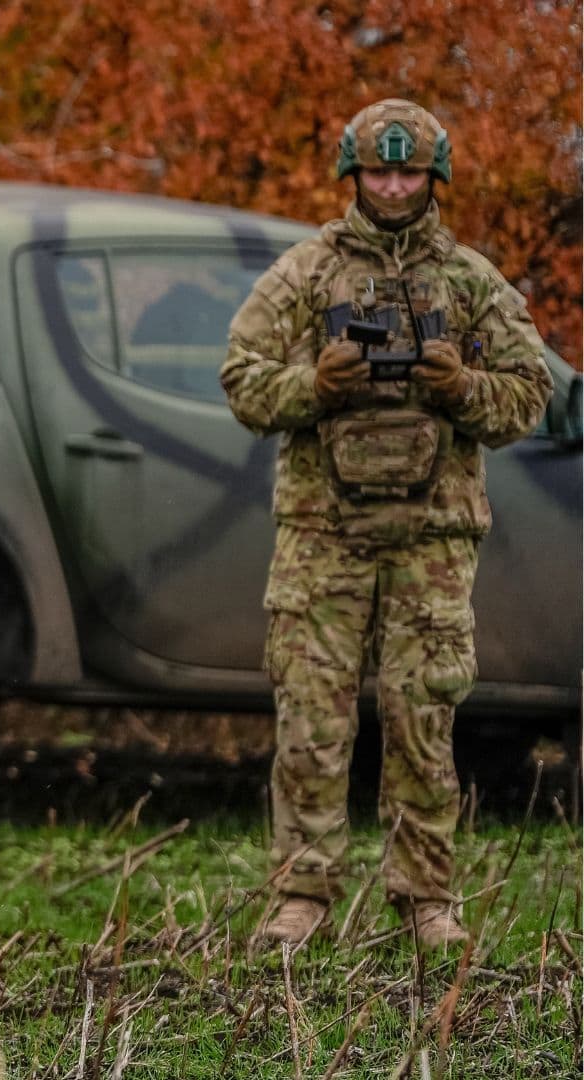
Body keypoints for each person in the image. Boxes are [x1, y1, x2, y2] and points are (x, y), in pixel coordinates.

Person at [221, 99, 553, 948]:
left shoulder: (471, 280)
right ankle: (302, 894)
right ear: (353, 174)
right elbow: (240, 378)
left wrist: (460, 389)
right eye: (380, 170)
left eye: (410, 171)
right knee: (311, 715)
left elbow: (527, 396)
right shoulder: (305, 273)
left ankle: (426, 897)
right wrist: (315, 386)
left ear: (433, 176)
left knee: (424, 715)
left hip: (432, 540)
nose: (395, 185)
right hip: (322, 534)